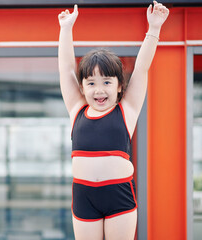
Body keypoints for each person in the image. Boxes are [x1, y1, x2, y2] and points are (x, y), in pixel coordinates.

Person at [58, 1, 169, 239]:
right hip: (84, 195)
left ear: (120, 87)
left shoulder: (126, 110)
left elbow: (141, 69)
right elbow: (66, 69)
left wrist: (154, 28)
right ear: (82, 87)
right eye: (91, 83)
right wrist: (66, 29)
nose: (99, 90)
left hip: (118, 195)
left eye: (107, 82)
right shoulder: (76, 110)